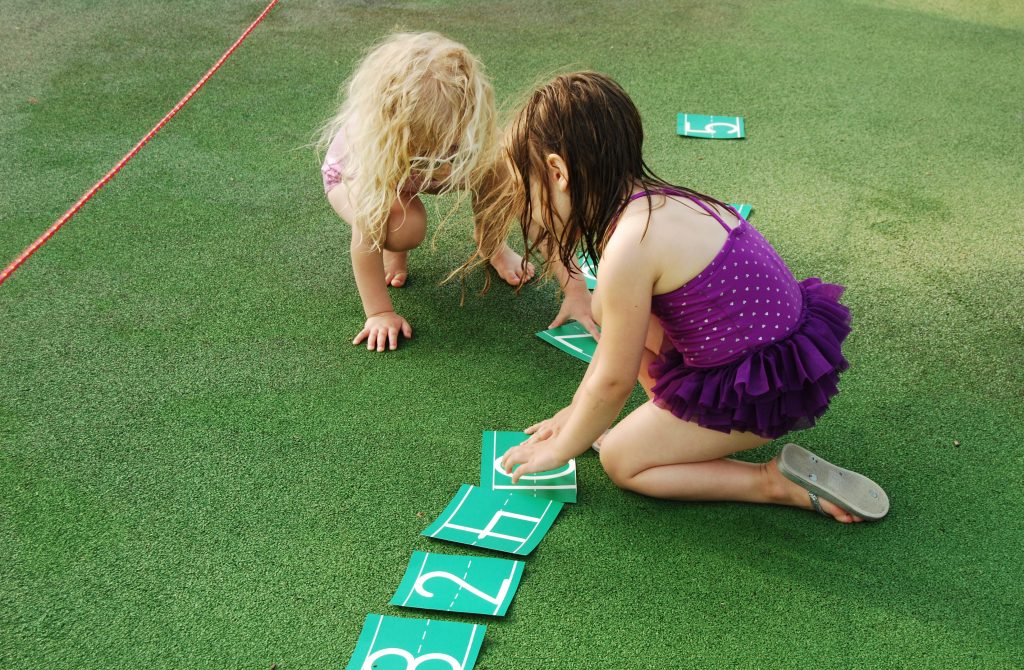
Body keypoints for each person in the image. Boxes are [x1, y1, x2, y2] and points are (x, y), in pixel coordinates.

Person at [498, 72, 888, 523]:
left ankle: (770, 482)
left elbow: (612, 380)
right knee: (612, 311)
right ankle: (670, 428)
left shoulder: (628, 245)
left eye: (529, 187)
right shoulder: (661, 202)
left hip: (760, 392)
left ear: (558, 173)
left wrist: (567, 445)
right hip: (776, 360)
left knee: (622, 461)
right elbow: (616, 353)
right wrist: (576, 413)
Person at [318, 32, 594, 352]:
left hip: (415, 172)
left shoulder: (473, 131)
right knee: (400, 223)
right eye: (431, 144)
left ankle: (493, 247)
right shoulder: (378, 151)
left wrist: (576, 291)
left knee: (501, 177)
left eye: (453, 140)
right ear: (402, 133)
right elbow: (364, 238)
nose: (446, 150)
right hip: (355, 180)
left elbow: (537, 215)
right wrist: (379, 313)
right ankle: (394, 249)